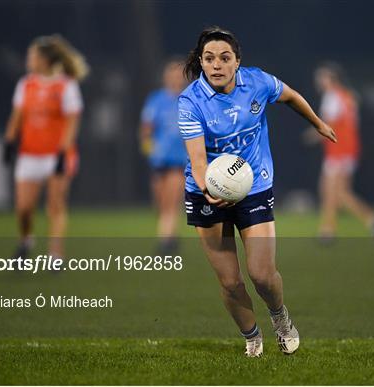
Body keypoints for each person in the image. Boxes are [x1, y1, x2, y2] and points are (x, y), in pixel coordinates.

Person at [179, 27, 336, 357]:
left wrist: (317, 123)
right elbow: (196, 161)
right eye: (209, 59)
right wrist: (209, 189)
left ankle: (280, 318)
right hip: (207, 192)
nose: (217, 65)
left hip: (253, 187)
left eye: (224, 58)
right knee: (230, 282)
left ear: (238, 61)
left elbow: (290, 95)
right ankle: (252, 336)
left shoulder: (258, 82)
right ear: (201, 62)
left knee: (262, 275)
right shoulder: (190, 102)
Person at [3, 34, 88, 263]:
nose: (29, 59)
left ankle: (55, 253)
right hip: (29, 153)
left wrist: (63, 151)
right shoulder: (26, 84)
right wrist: (9, 141)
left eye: (33, 56)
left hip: (56, 154)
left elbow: (72, 123)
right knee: (23, 208)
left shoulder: (65, 86)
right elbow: (17, 116)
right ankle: (25, 241)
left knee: (55, 205)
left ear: (46, 60)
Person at [304, 62, 374, 241]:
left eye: (322, 77)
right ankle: (370, 221)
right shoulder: (349, 95)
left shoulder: (332, 97)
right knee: (338, 192)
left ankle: (329, 231)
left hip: (338, 149)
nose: (319, 81)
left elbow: (328, 125)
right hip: (350, 148)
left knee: (331, 191)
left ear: (331, 79)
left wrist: (311, 136)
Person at [139, 59, 188, 252]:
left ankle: (165, 242)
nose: (175, 79)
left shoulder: (189, 99)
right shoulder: (156, 100)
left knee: (171, 200)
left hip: (180, 159)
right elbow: (146, 128)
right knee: (160, 203)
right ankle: (172, 236)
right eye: (172, 75)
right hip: (159, 159)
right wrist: (149, 148)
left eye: (179, 76)